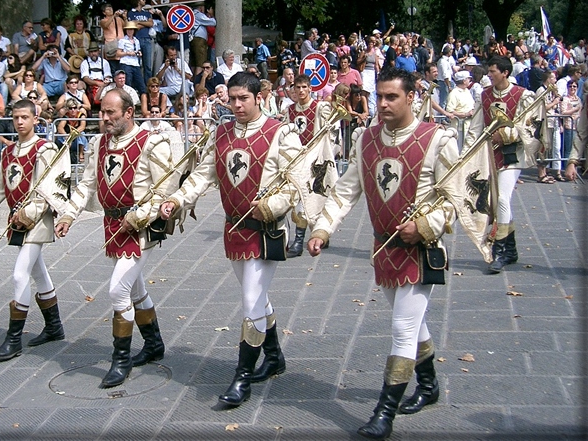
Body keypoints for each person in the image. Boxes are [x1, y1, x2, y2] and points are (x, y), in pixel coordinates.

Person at [307, 68, 459, 440]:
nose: (384, 104)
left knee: (403, 328)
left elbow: (455, 198)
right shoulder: (366, 139)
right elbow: (346, 190)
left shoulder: (437, 139)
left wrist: (425, 225)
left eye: (392, 97)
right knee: (414, 322)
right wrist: (323, 228)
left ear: (411, 98)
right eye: (381, 97)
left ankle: (384, 413)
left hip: (420, 250)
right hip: (383, 249)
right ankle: (429, 385)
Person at [158, 71, 302, 408]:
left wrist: (272, 206)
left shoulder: (281, 134)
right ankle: (275, 356)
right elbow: (204, 174)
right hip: (233, 227)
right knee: (257, 297)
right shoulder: (221, 133)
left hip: (265, 231)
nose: (236, 105)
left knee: (252, 299)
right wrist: (178, 199)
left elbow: (296, 183)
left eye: (243, 99)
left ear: (258, 98)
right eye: (232, 98)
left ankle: (241, 379)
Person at [55, 89, 174, 388]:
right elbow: (86, 184)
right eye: (102, 112)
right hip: (111, 225)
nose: (104, 118)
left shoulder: (150, 142)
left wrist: (139, 216)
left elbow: (163, 190)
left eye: (111, 113)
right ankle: (154, 344)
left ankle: (120, 360)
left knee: (117, 289)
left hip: (140, 227)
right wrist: (69, 214)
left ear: (129, 112)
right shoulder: (98, 143)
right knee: (134, 288)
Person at [0, 99, 68, 361]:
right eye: (16, 118)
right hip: (17, 221)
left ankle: (14, 338)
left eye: (25, 117)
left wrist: (28, 214)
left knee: (20, 274)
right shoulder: (8, 152)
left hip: (37, 221)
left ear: (35, 119)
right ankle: (54, 326)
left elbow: (48, 190)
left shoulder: (45, 150)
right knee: (38, 271)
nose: (20, 122)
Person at [464, 56, 536, 274]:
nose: (489, 75)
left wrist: (507, 134)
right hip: (489, 155)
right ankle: (511, 249)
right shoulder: (484, 95)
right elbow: (476, 128)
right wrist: (465, 154)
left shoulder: (523, 95)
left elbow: (529, 127)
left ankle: (500, 250)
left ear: (505, 72)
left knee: (503, 198)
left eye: (493, 71)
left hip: (513, 154)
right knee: (496, 201)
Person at [282, 73, 338, 257]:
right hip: (297, 161)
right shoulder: (289, 111)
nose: (300, 91)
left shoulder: (319, 108)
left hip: (316, 160)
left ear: (310, 89)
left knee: (319, 197)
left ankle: (321, 233)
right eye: (297, 87)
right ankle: (298, 242)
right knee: (300, 199)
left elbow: (331, 129)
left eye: (304, 87)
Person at [127, 0, 155, 85]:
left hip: (147, 39)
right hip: (137, 40)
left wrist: (139, 22)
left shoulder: (146, 13)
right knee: (137, 64)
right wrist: (145, 24)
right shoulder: (131, 13)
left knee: (148, 65)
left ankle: (148, 85)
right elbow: (134, 27)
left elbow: (151, 23)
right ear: (138, 1)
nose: (144, 0)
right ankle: (138, 85)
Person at [117, 21, 146, 96]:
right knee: (127, 84)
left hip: (135, 64)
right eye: (128, 29)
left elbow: (138, 50)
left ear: (134, 30)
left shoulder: (136, 41)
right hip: (126, 63)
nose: (130, 31)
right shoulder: (122, 40)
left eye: (131, 29)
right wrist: (128, 53)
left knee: (141, 84)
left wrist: (139, 53)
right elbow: (118, 53)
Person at [189, 3, 216, 74]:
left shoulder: (191, 14)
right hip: (199, 40)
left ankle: (193, 80)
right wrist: (212, 14)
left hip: (193, 39)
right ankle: (197, 82)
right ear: (201, 7)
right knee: (200, 63)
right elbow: (213, 22)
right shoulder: (198, 15)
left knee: (194, 63)